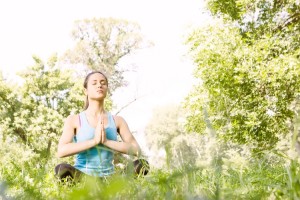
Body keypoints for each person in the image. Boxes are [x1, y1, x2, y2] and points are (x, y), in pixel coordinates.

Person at [55, 71, 149, 181]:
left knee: (142, 164)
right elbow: (61, 151)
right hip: (83, 178)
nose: (99, 85)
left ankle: (112, 189)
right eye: (94, 83)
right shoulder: (74, 120)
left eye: (103, 83)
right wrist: (94, 141)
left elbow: (136, 150)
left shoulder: (118, 121)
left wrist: (106, 142)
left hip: (110, 179)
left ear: (106, 89)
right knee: (61, 168)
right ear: (86, 91)